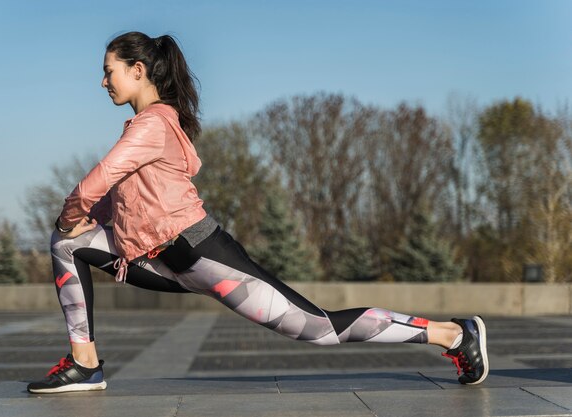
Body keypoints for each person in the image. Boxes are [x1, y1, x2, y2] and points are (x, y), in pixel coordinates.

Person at [26, 31, 489, 394]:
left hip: (202, 255)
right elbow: (118, 193)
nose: (103, 81)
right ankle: (84, 364)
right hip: (158, 259)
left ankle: (453, 334)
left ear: (139, 70)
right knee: (67, 244)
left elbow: (98, 178)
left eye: (109, 71)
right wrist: (83, 222)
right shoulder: (145, 126)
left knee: (320, 329)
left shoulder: (153, 123)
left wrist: (71, 214)